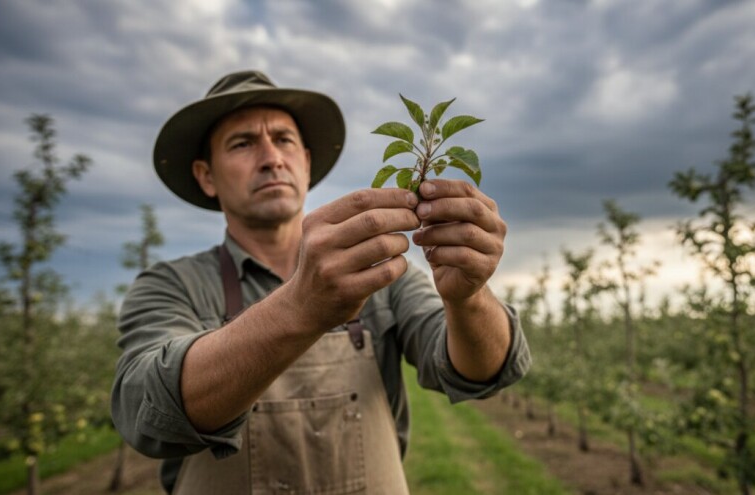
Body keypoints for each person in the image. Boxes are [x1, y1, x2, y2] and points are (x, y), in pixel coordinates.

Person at [111, 70, 531, 494]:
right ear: (206, 175)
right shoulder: (172, 284)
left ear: (307, 162)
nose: (272, 158)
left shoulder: (380, 273)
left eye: (284, 140)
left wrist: (469, 299)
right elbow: (145, 410)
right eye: (242, 143)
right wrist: (301, 307)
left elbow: (478, 371)